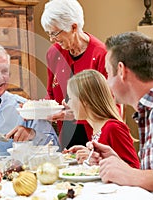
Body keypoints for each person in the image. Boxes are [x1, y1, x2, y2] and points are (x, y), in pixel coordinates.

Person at [88, 32, 153, 191]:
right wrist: (117, 163)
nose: (108, 84)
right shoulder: (146, 112)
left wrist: (131, 174)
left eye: (108, 73)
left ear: (121, 70)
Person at [41, 0, 107, 149]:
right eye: (48, 34)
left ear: (73, 27)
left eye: (55, 33)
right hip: (66, 137)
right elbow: (51, 93)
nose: (51, 39)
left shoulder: (101, 54)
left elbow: (110, 107)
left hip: (97, 139)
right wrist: (38, 108)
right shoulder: (54, 53)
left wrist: (74, 114)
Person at [63, 69, 139, 168]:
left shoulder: (113, 128)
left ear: (85, 100)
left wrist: (97, 160)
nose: (68, 104)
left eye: (71, 98)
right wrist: (89, 153)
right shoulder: (95, 128)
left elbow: (134, 168)